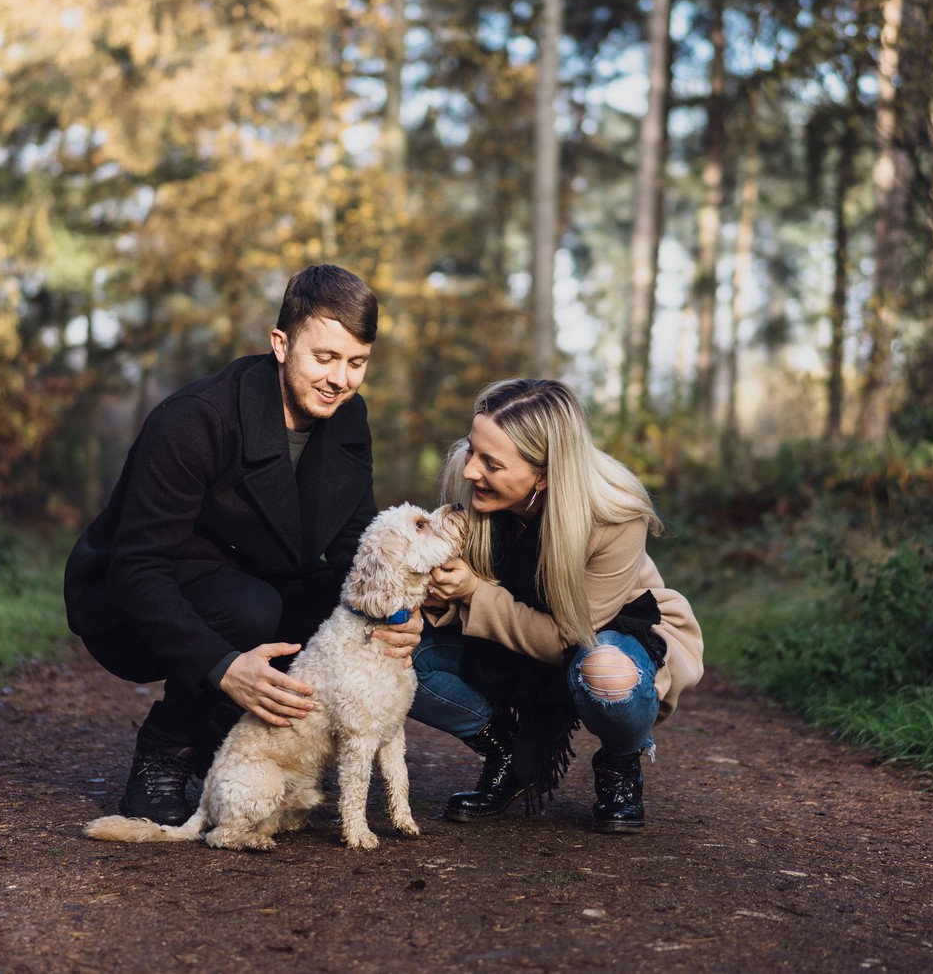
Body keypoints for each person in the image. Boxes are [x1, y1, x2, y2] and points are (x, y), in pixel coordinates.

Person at [63, 264, 422, 825]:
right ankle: (168, 748)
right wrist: (223, 665)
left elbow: (354, 541)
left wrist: (398, 613)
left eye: (357, 363)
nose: (340, 379)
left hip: (261, 575)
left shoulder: (349, 417)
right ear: (281, 344)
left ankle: (234, 744)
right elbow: (137, 567)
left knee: (333, 607)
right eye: (323, 357)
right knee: (251, 608)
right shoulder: (194, 420)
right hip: (138, 597)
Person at [411, 378, 703, 832]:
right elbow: (448, 591)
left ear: (544, 475)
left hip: (600, 635)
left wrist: (472, 594)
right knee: (395, 652)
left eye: (491, 463)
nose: (470, 471)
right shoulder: (468, 479)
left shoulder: (615, 514)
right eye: (472, 450)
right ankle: (505, 750)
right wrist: (436, 595)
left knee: (608, 674)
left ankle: (621, 763)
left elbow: (568, 638)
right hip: (504, 631)